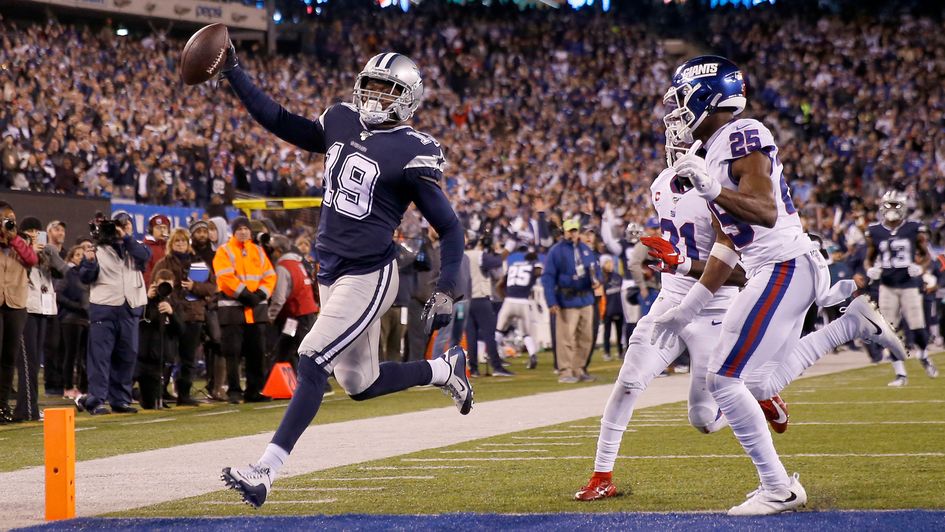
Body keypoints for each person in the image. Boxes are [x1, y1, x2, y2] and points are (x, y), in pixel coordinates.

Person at [648, 56, 907, 515]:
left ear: (705, 95)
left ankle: (778, 488)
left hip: (782, 265)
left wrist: (710, 189)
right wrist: (687, 309)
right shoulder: (714, 152)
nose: (677, 113)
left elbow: (764, 210)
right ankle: (849, 326)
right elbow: (727, 246)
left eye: (682, 98)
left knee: (724, 380)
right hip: (783, 266)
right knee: (756, 380)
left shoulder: (741, 133)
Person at [218, 48, 468, 508]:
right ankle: (443, 369)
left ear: (408, 98)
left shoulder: (414, 149)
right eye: (371, 84)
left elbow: (450, 228)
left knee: (312, 358)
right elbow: (279, 120)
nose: (374, 95)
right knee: (360, 384)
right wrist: (234, 72)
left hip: (371, 274)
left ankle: (265, 471)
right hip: (330, 270)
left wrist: (446, 288)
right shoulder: (340, 118)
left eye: (387, 88)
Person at [76, 212, 151, 416]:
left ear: (131, 228)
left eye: (126, 225)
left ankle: (120, 400)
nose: (121, 228)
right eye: (118, 225)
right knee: (100, 358)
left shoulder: (135, 246)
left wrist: (125, 238)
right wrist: (90, 261)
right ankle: (96, 400)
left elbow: (145, 257)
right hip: (105, 308)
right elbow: (85, 277)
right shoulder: (98, 249)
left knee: (127, 356)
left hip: (129, 308)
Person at [866, 191, 938, 386]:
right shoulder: (874, 231)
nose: (891, 209)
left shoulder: (914, 228)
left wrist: (920, 268)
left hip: (909, 284)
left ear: (904, 207)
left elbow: (926, 255)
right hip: (887, 285)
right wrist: (871, 270)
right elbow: (869, 258)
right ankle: (900, 373)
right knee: (887, 330)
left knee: (917, 328)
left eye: (895, 205)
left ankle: (923, 354)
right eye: (888, 205)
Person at [213, 217, 277, 404]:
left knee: (256, 352)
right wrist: (245, 294)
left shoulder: (257, 250)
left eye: (246, 229)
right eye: (239, 229)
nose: (243, 232)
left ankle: (254, 390)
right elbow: (225, 278)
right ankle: (234, 390)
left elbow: (270, 276)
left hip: (256, 310)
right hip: (233, 310)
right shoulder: (224, 251)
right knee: (232, 352)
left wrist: (259, 295)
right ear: (233, 232)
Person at [154, 228, 217, 405]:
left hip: (194, 315)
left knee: (189, 358)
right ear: (171, 244)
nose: (180, 245)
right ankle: (161, 392)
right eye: (177, 241)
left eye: (183, 241)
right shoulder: (164, 263)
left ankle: (184, 394)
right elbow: (155, 284)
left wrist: (194, 286)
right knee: (168, 356)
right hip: (172, 315)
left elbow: (212, 287)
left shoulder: (198, 263)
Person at [541, 218, 601, 383]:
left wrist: (598, 280)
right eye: (570, 231)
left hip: (586, 298)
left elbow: (596, 270)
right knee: (566, 338)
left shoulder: (586, 250)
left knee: (586, 337)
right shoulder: (556, 251)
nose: (573, 234)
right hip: (567, 300)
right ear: (564, 232)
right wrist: (551, 301)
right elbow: (548, 277)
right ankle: (565, 371)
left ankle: (578, 368)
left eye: (575, 230)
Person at [19, 216, 68, 419]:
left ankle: (31, 406)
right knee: (27, 362)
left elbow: (62, 272)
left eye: (36, 231)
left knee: (35, 361)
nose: (33, 234)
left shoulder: (45, 252)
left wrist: (49, 252)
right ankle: (25, 408)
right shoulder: (18, 250)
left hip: (43, 309)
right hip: (26, 307)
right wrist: (29, 250)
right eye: (29, 230)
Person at [0, 202, 38, 424]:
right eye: (4, 218)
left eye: (11, 218)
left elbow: (32, 259)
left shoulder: (20, 242)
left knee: (8, 358)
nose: (8, 222)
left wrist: (13, 238)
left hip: (15, 304)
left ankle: (2, 405)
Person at [267, 235, 318, 373]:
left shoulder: (283, 267)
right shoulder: (298, 262)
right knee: (286, 348)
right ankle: (283, 382)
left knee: (303, 350)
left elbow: (279, 298)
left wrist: (271, 316)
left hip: (297, 316)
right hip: (302, 315)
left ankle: (322, 384)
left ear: (278, 250)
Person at [465, 234, 513, 377]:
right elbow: (497, 262)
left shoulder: (461, 255)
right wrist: (508, 249)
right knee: (489, 334)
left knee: (471, 336)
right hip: (480, 298)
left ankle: (473, 369)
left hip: (466, 300)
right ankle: (497, 366)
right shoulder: (479, 255)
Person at [137, 268, 185, 409]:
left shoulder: (175, 304)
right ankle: (134, 394)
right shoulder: (144, 301)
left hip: (163, 357)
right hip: (144, 356)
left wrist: (171, 313)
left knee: (152, 403)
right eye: (161, 285)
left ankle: (151, 396)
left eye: (168, 285)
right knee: (147, 401)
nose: (164, 289)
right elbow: (139, 321)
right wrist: (147, 300)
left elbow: (181, 330)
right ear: (154, 284)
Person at [495, 252, 542, 369]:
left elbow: (499, 285)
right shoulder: (534, 266)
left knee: (499, 330)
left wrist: (504, 298)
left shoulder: (513, 266)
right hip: (523, 302)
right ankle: (532, 355)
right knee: (526, 333)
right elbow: (539, 271)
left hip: (509, 301)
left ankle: (493, 354)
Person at [57, 244, 90, 401]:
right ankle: (68, 387)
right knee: (71, 354)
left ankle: (83, 388)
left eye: (83, 255)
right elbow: (59, 295)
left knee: (84, 356)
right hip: (71, 320)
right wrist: (77, 307)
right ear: (71, 258)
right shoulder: (68, 273)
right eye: (77, 255)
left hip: (86, 320)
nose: (80, 258)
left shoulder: (88, 275)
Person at [599, 255, 625, 362]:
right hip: (607, 310)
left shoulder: (618, 277)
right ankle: (607, 352)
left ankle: (620, 351)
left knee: (619, 332)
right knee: (607, 333)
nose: (610, 264)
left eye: (610, 262)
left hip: (619, 308)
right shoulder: (601, 279)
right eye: (607, 263)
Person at [142, 214, 170, 286]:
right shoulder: (146, 246)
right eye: (158, 228)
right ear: (151, 230)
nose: (162, 230)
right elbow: (146, 272)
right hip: (154, 287)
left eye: (164, 228)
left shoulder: (171, 246)